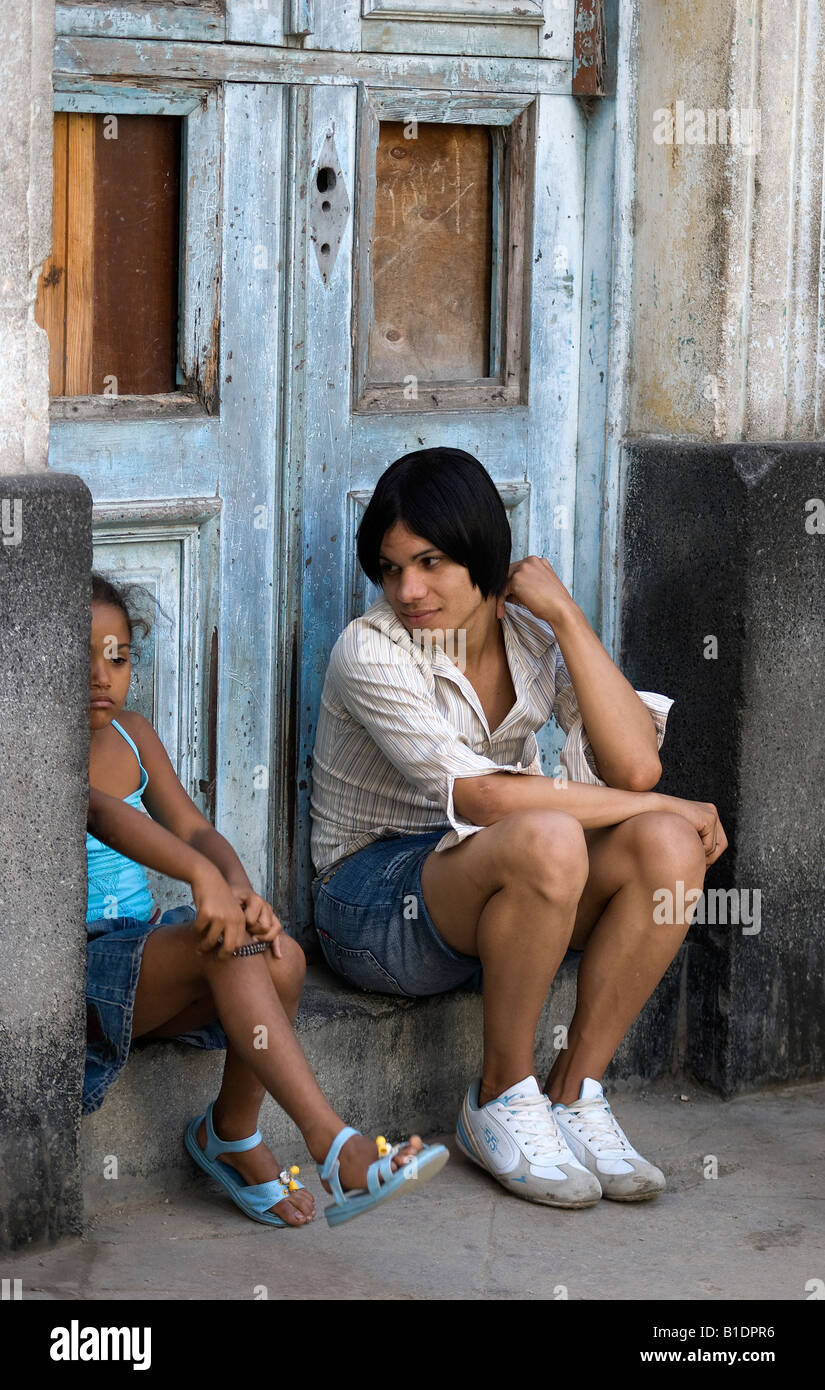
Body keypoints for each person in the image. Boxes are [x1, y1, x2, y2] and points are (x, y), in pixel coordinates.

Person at [310, 448, 728, 1209]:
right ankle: (500, 1098)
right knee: (554, 831)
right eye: (390, 567)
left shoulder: (531, 638)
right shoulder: (370, 649)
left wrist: (565, 617)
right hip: (375, 902)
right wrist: (660, 807)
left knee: (667, 849)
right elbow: (485, 801)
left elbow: (635, 767)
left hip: (503, 886)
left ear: (482, 556)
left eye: (430, 562)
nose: (408, 589)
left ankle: (573, 1093)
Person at [85, 572, 448, 1228]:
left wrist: (236, 886)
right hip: (83, 976)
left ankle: (231, 1131)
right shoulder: (35, 747)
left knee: (278, 956)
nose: (101, 676)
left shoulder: (134, 734)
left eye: (117, 657)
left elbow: (193, 828)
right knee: (224, 948)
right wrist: (200, 880)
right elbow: (105, 817)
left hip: (144, 962)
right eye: (80, 659)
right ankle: (334, 1145)